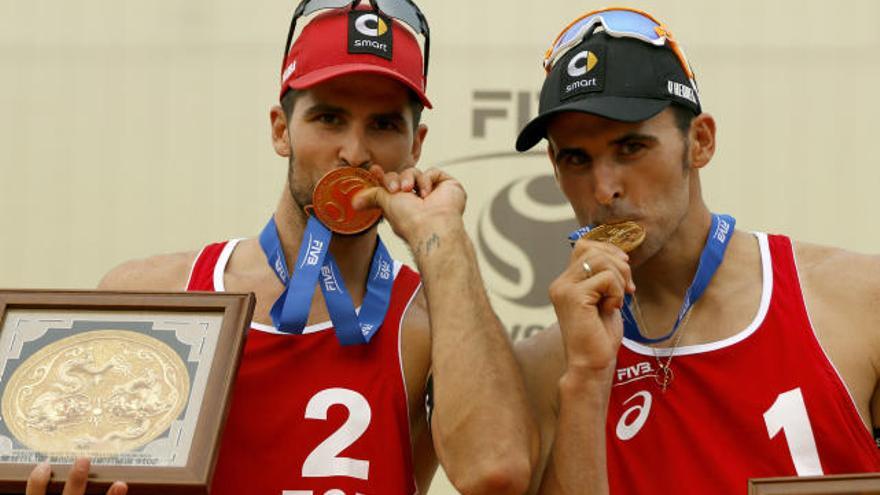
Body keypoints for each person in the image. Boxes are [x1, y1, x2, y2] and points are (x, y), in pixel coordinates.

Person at [26, 1, 537, 494]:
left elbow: (497, 472)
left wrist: (442, 240)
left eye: (383, 125)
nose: (354, 153)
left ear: (417, 145)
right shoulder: (157, 293)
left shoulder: (432, 322)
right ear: (280, 130)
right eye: (329, 119)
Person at [513, 7, 880, 494]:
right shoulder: (547, 365)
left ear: (700, 142)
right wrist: (586, 379)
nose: (603, 190)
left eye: (630, 148)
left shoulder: (856, 300)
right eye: (577, 159)